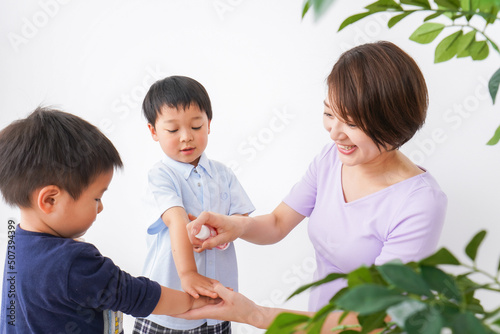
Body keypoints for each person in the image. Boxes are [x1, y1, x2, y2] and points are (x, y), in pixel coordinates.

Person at [183, 41, 448, 330]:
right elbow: (277, 222)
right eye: (330, 114)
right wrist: (237, 226)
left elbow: (376, 316)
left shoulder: (419, 203)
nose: (334, 133)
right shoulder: (331, 160)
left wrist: (255, 315)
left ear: (392, 123)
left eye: (351, 123)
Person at [0, 107, 216, 333]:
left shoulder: (18, 243)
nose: (100, 207)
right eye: (96, 197)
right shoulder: (73, 262)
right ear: (50, 200)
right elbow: (133, 294)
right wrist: (194, 301)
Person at [134, 76, 255, 333]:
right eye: (173, 130)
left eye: (196, 126)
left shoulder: (223, 174)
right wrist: (187, 273)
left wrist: (229, 228)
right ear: (154, 132)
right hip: (168, 306)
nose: (186, 137)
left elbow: (242, 219)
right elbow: (177, 220)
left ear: (209, 124)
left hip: (216, 304)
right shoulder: (161, 176)